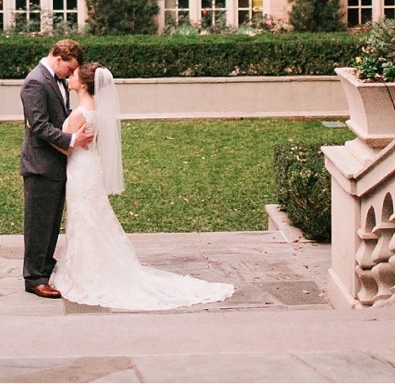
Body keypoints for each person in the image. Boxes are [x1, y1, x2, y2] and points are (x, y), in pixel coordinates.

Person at [50, 61, 235, 310]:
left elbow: (65, 146)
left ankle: (86, 272)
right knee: (90, 218)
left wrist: (39, 133)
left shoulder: (79, 114)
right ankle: (92, 265)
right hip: (90, 167)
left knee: (84, 218)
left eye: (72, 75)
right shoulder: (95, 110)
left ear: (83, 84)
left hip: (81, 171)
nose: (69, 78)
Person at [20, 38, 93, 297]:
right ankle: (34, 278)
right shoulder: (35, 82)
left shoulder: (55, 80)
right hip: (40, 164)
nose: (70, 74)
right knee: (38, 223)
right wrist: (72, 140)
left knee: (50, 222)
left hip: (57, 163)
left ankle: (46, 266)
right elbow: (39, 126)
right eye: (69, 68)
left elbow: (59, 117)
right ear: (58, 58)